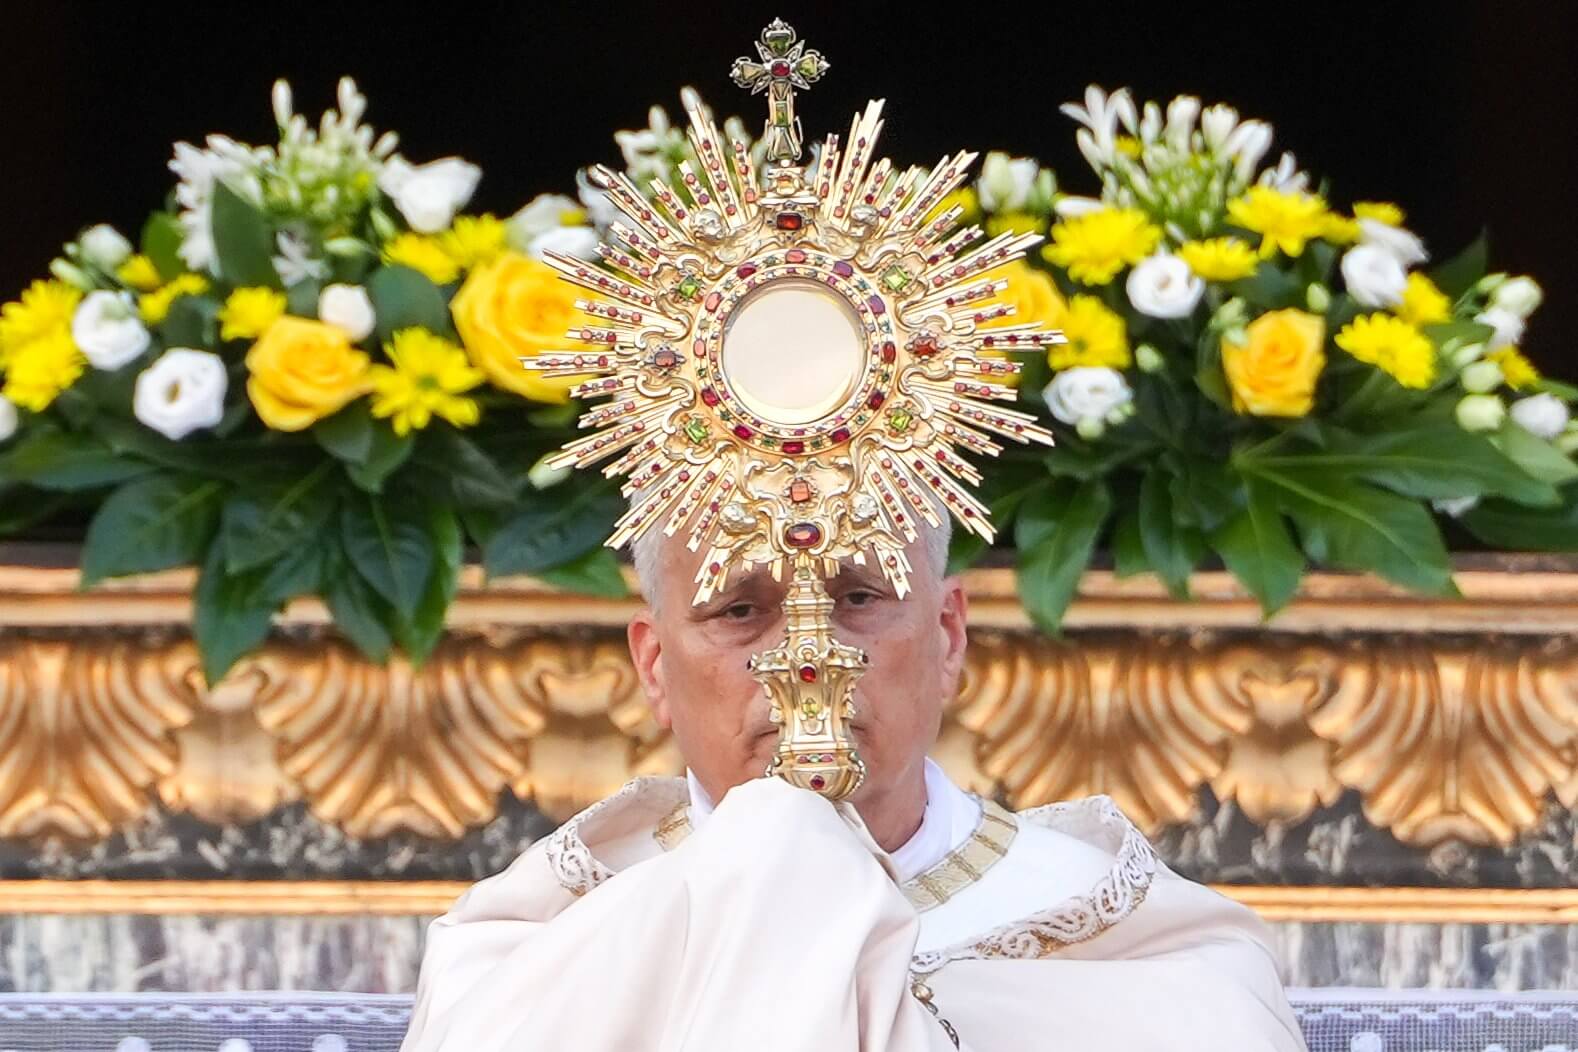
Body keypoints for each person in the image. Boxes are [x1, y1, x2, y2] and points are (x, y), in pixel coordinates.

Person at [400, 512, 1307, 1051]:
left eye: (858, 598)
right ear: (652, 664)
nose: (806, 660)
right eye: (741, 610)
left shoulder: (1150, 953)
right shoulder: (526, 950)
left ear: (948, 634)